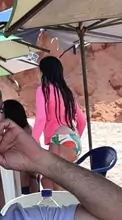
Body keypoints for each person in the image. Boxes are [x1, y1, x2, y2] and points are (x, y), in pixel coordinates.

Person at [33, 56, 87, 190]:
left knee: (57, 185)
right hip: (73, 139)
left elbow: (41, 119)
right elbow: (82, 121)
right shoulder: (66, 92)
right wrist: (73, 139)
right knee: (47, 180)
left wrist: (32, 142)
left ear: (44, 72)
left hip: (58, 139)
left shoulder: (43, 90)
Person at [3, 99, 39, 193]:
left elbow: (33, 161)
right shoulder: (20, 131)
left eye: (1, 112)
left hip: (23, 185)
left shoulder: (24, 134)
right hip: (18, 183)